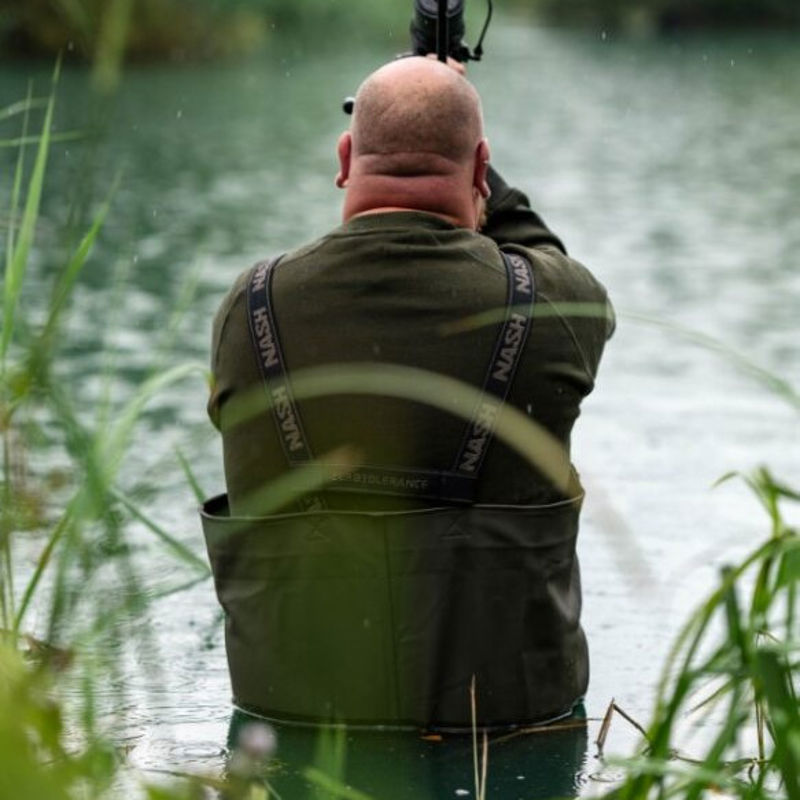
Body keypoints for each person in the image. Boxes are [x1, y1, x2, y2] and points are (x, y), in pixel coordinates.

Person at [203, 56, 614, 731]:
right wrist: (496, 194)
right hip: (509, 726)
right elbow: (550, 269)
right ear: (481, 167)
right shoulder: (556, 308)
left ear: (345, 156)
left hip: (293, 721)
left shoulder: (245, 311)